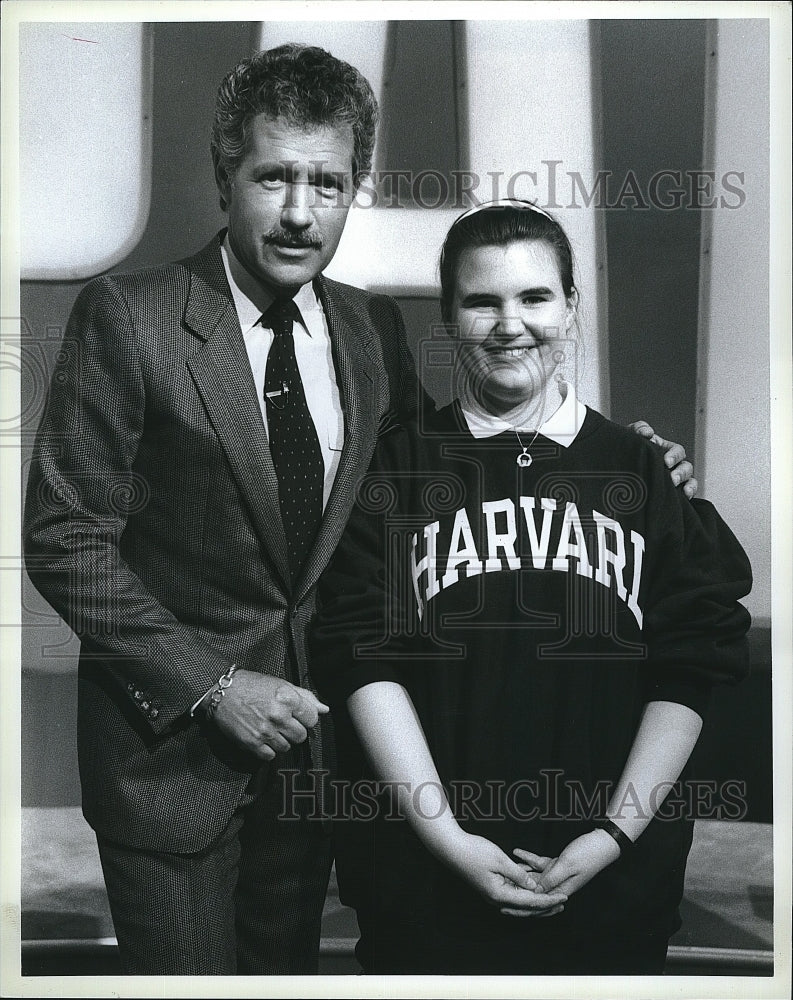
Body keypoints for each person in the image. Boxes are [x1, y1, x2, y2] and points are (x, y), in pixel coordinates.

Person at [22, 43, 696, 974]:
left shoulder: (368, 327)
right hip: (174, 762)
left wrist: (638, 465)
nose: (301, 211)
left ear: (355, 189)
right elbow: (64, 540)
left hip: (322, 765)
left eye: (327, 183)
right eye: (274, 178)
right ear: (226, 175)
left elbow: (454, 471)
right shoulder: (129, 316)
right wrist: (215, 686)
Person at [311, 201, 752, 975]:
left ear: (572, 306)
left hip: (609, 890)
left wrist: (610, 838)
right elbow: (361, 659)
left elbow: (691, 664)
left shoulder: (638, 470)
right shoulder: (397, 472)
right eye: (482, 301)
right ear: (448, 318)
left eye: (534, 297)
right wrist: (447, 838)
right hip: (430, 890)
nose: (509, 323)